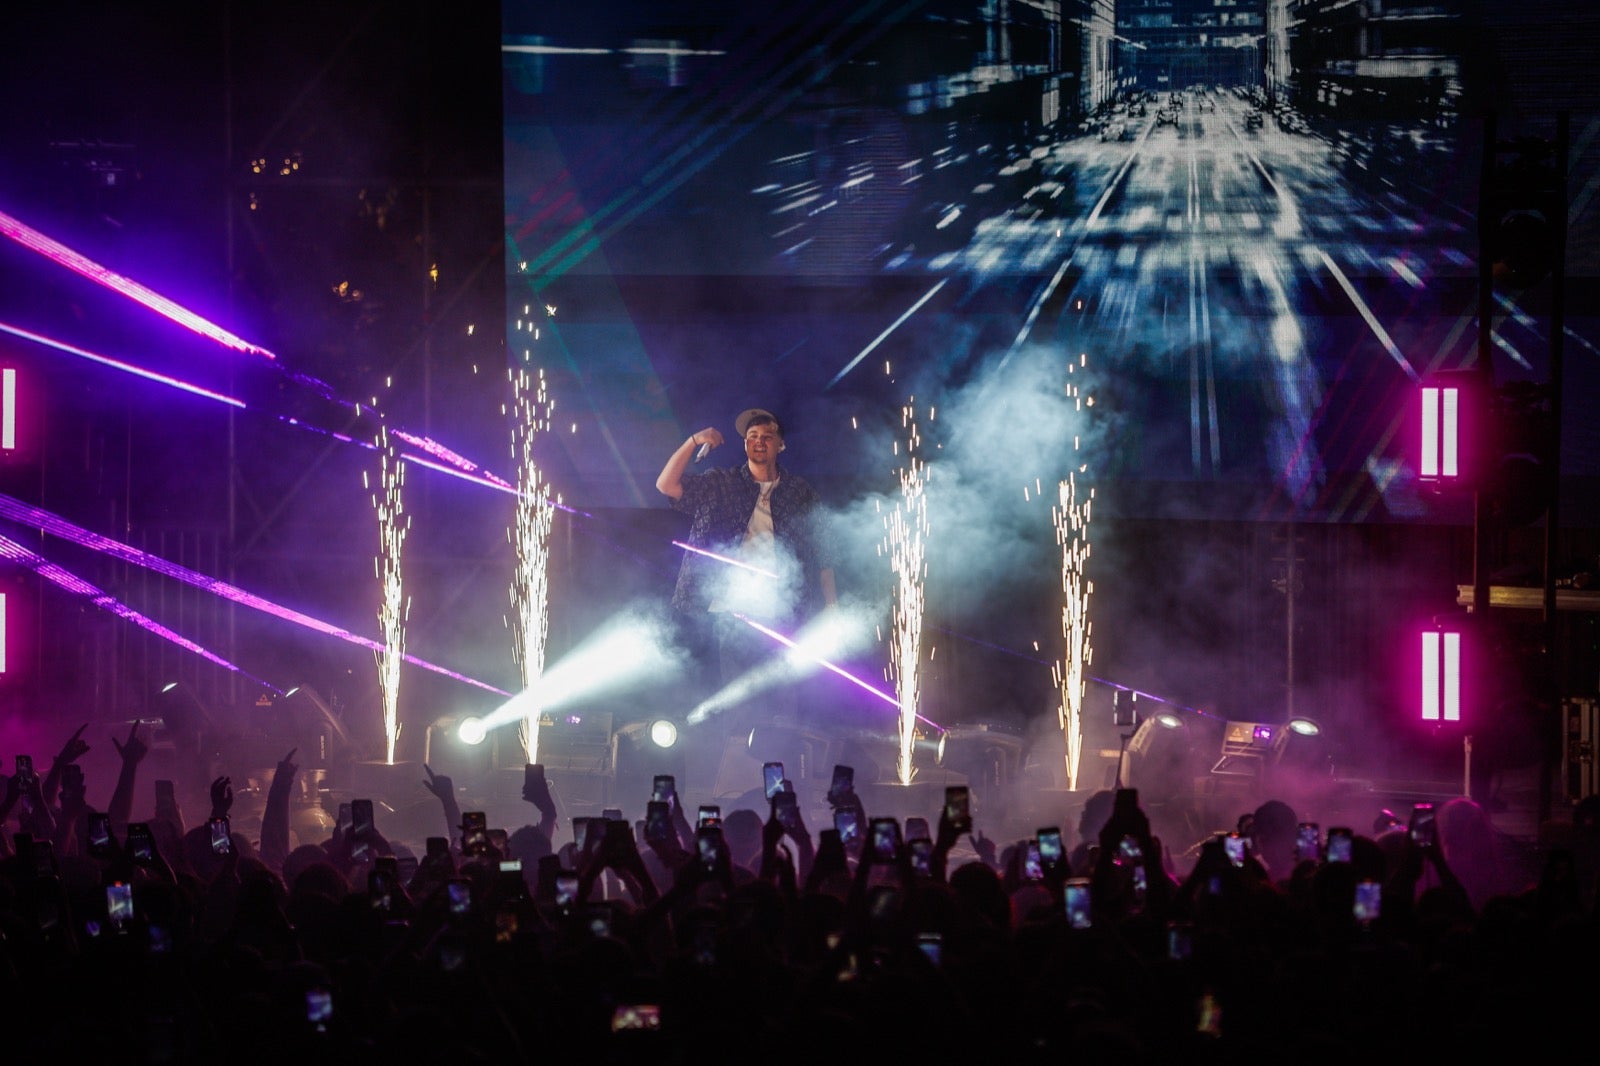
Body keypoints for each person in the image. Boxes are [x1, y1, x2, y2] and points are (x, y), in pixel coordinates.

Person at [656, 407, 836, 735]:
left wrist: (832, 607)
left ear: (780, 445)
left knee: (784, 698)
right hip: (734, 610)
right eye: (751, 437)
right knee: (740, 698)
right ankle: (742, 770)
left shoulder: (800, 493)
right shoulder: (721, 483)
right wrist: (693, 441)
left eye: (767, 436)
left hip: (782, 609)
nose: (758, 442)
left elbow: (823, 552)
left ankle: (785, 774)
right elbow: (666, 485)